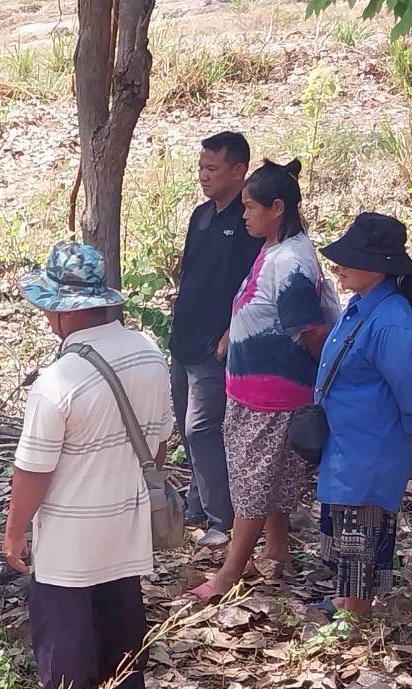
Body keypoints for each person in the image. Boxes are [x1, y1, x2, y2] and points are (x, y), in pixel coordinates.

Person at [1, 242, 172, 689]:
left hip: (72, 525)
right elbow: (157, 444)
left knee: (65, 622)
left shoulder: (59, 380)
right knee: (120, 602)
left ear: (57, 310)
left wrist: (16, 532)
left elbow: (33, 469)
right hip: (127, 510)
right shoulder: (148, 353)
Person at [189, 159, 335, 604]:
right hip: (252, 386)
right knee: (264, 478)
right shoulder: (274, 248)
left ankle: (231, 570)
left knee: (254, 483)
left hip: (273, 393)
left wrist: (312, 378)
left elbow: (309, 330)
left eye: (252, 208)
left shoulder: (291, 261)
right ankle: (277, 551)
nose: (245, 215)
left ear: (277, 207)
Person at [315, 213, 412, 619]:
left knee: (362, 533)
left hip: (372, 446)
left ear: (380, 267)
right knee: (345, 527)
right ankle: (345, 603)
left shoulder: (392, 322)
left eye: (351, 258)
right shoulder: (364, 306)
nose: (340, 265)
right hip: (350, 443)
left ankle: (355, 618)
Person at [170, 132, 263, 549]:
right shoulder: (201, 215)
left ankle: (220, 519)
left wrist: (231, 331)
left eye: (212, 169)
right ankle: (197, 504)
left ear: (238, 170)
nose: (203, 176)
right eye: (201, 168)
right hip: (185, 338)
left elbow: (253, 286)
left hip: (217, 344)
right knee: (187, 428)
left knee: (204, 427)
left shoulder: (249, 222)